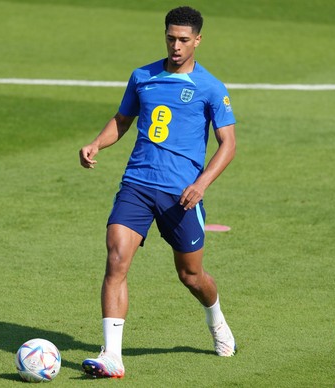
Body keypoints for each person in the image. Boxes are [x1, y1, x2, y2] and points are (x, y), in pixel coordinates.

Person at [78, 6, 237, 378]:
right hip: (137, 183)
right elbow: (122, 120)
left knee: (190, 275)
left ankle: (216, 319)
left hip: (181, 194)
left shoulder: (211, 87)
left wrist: (201, 184)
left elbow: (227, 144)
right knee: (116, 258)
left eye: (184, 39)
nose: (176, 46)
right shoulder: (142, 76)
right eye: (170, 38)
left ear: (198, 39)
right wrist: (97, 144)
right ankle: (112, 356)